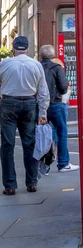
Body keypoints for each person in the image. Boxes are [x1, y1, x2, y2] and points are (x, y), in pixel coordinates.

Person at [0, 36, 50, 195]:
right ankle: (32, 182)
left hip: (8, 103)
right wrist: (43, 112)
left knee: (7, 145)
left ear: (14, 48)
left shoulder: (4, 64)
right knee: (29, 144)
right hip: (29, 103)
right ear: (27, 48)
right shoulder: (36, 64)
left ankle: (10, 186)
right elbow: (43, 91)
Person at [40, 45, 79, 173]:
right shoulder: (56, 68)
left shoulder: (36, 66)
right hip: (55, 104)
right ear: (53, 55)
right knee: (61, 133)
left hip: (40, 105)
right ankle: (63, 163)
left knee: (40, 135)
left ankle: (42, 167)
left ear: (41, 55)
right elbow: (63, 87)